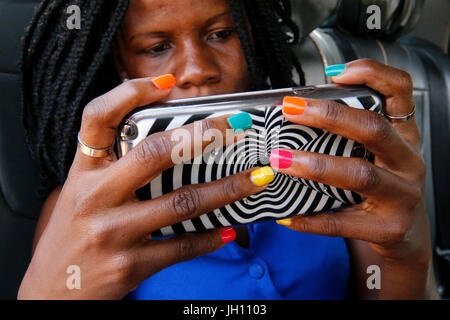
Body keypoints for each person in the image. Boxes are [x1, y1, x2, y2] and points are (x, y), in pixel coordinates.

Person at [18, 0, 439, 299]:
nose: (198, 67)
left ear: (251, 37)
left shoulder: (327, 162)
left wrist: (407, 254)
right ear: (123, 64)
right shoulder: (86, 210)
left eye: (221, 33)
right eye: (156, 46)